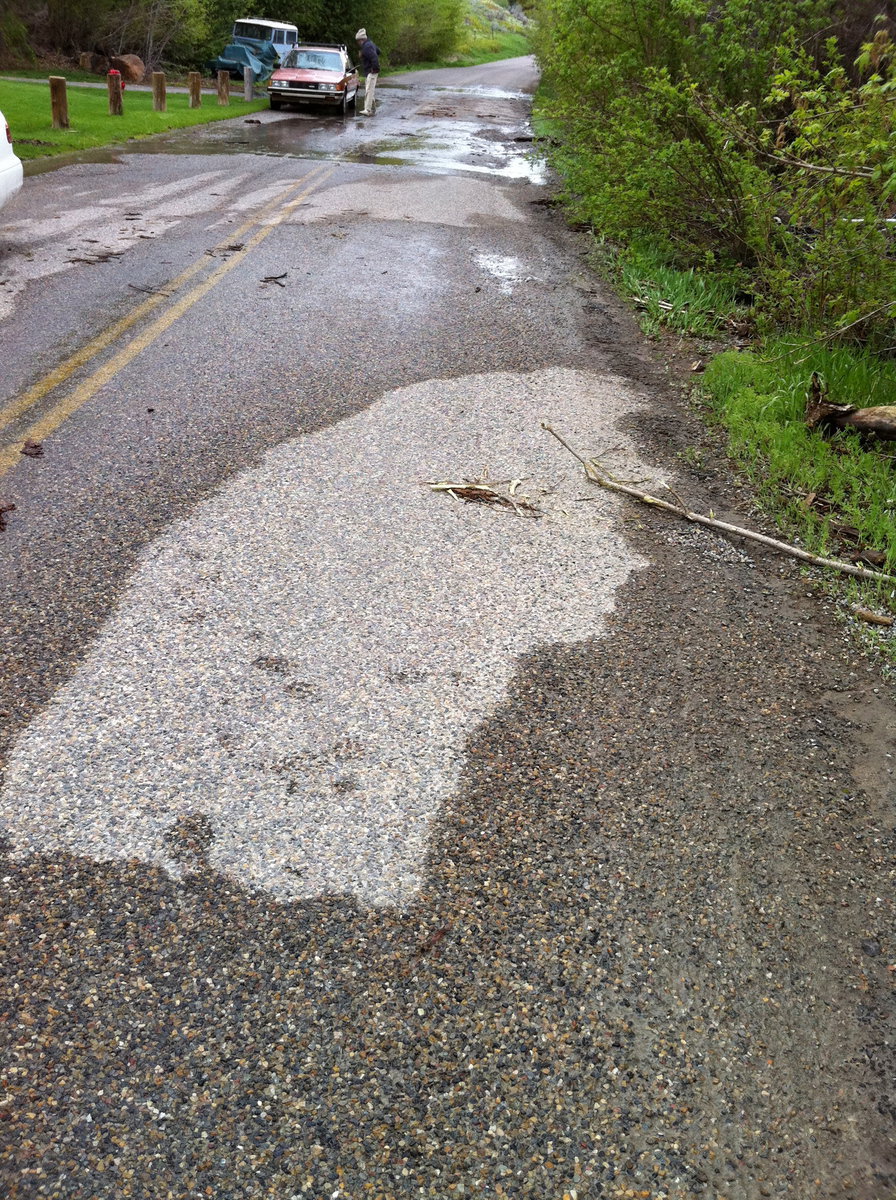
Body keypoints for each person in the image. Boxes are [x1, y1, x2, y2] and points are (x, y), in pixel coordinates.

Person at [354, 28, 380, 116]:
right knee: (370, 89)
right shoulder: (370, 44)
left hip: (371, 71)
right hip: (371, 71)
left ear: (361, 40)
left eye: (358, 41)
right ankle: (372, 107)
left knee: (369, 90)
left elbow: (374, 57)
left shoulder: (366, 47)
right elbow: (378, 52)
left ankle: (368, 110)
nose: (358, 43)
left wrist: (375, 69)